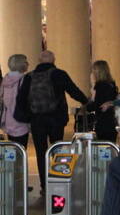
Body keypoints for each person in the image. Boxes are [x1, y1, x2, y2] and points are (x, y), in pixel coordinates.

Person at [14, 50, 89, 191]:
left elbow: (21, 99)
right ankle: (59, 181)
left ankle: (44, 185)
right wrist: (86, 102)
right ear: (53, 59)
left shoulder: (29, 77)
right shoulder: (59, 73)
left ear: (39, 60)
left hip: (37, 120)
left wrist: (27, 117)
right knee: (57, 149)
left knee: (41, 152)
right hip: (56, 119)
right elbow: (73, 90)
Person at [1, 54, 30, 148]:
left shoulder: (5, 79)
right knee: (21, 149)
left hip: (8, 119)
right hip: (20, 119)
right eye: (26, 62)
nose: (28, 64)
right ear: (21, 65)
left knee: (12, 150)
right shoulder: (25, 79)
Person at [86, 60, 119, 142]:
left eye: (93, 71)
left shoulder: (100, 87)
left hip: (102, 123)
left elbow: (95, 106)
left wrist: (88, 103)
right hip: (111, 122)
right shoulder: (112, 84)